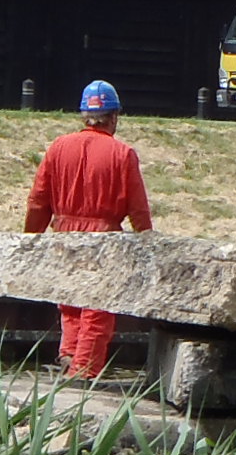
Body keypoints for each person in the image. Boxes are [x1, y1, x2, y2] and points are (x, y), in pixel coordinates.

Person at [24, 80, 153, 377]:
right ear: (114, 117)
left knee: (70, 301)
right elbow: (138, 208)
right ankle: (84, 373)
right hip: (104, 238)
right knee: (97, 308)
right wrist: (147, 242)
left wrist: (31, 238)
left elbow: (38, 201)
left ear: (84, 115)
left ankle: (68, 356)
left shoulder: (58, 147)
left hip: (65, 233)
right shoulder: (123, 154)